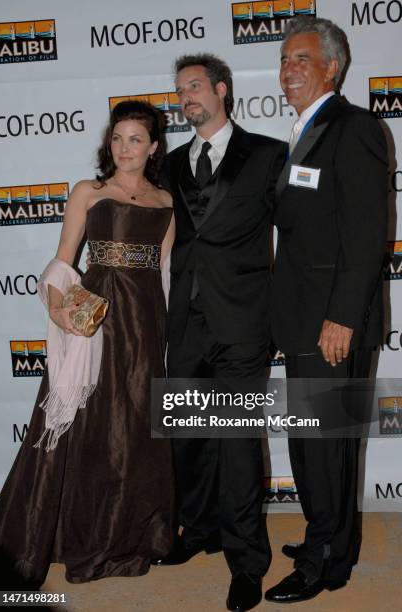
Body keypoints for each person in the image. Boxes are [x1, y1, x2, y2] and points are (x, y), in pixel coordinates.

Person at [0, 100, 175, 587]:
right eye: (117, 138)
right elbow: (62, 260)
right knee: (89, 421)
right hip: (96, 318)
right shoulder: (89, 192)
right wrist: (56, 311)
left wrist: (163, 332)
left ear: (153, 146)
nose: (125, 148)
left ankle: (134, 534)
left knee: (136, 422)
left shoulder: (165, 202)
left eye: (136, 139)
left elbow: (164, 273)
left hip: (145, 320)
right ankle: (79, 536)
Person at [153, 53, 286, 611]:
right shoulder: (171, 165)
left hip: (243, 321)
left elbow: (296, 236)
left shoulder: (268, 154)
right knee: (188, 436)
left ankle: (246, 561)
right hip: (185, 321)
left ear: (223, 90)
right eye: (180, 91)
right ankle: (200, 530)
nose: (187, 98)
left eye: (196, 87)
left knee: (235, 443)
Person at [265, 16, 388, 603]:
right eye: (285, 59)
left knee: (324, 443)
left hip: (332, 324)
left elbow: (366, 236)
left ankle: (324, 560)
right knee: (314, 441)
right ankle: (332, 540)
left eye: (301, 60)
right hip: (302, 319)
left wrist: (341, 317)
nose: (288, 70)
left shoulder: (354, 127)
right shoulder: (301, 132)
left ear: (332, 68)